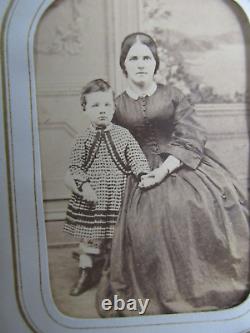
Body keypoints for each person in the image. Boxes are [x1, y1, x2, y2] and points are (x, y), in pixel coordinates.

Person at [96, 32, 250, 316]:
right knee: (148, 217)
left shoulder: (174, 95)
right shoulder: (116, 105)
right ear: (124, 65)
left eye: (147, 58)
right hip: (137, 171)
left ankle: (203, 282)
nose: (141, 64)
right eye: (134, 58)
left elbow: (191, 135)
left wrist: (164, 170)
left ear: (155, 63)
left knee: (195, 206)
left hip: (182, 165)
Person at [63, 78, 150, 296]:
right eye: (95, 106)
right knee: (90, 239)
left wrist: (142, 173)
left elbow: (136, 157)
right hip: (91, 200)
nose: (102, 111)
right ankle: (85, 272)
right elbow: (75, 167)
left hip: (117, 197)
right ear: (84, 109)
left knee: (116, 240)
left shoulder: (123, 135)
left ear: (113, 107)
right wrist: (84, 187)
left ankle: (113, 275)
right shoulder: (82, 139)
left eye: (106, 105)